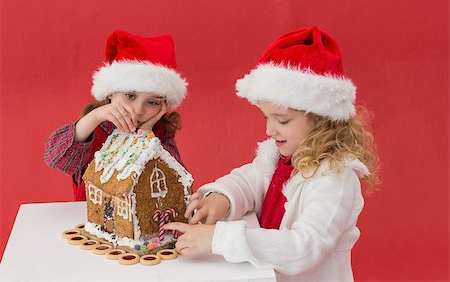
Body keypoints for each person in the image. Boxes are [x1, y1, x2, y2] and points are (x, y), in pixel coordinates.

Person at [164, 26, 379, 281]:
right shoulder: (281, 159)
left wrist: (218, 239)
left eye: (282, 120)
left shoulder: (335, 178)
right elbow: (247, 181)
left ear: (322, 119)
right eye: (266, 117)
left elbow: (305, 246)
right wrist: (221, 199)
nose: (269, 129)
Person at [44, 30, 188, 201]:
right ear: (111, 92)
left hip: (141, 224)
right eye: (130, 96)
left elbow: (176, 180)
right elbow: (56, 157)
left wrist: (146, 136)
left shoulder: (160, 133)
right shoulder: (94, 128)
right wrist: (93, 118)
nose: (138, 109)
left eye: (152, 102)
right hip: (90, 219)